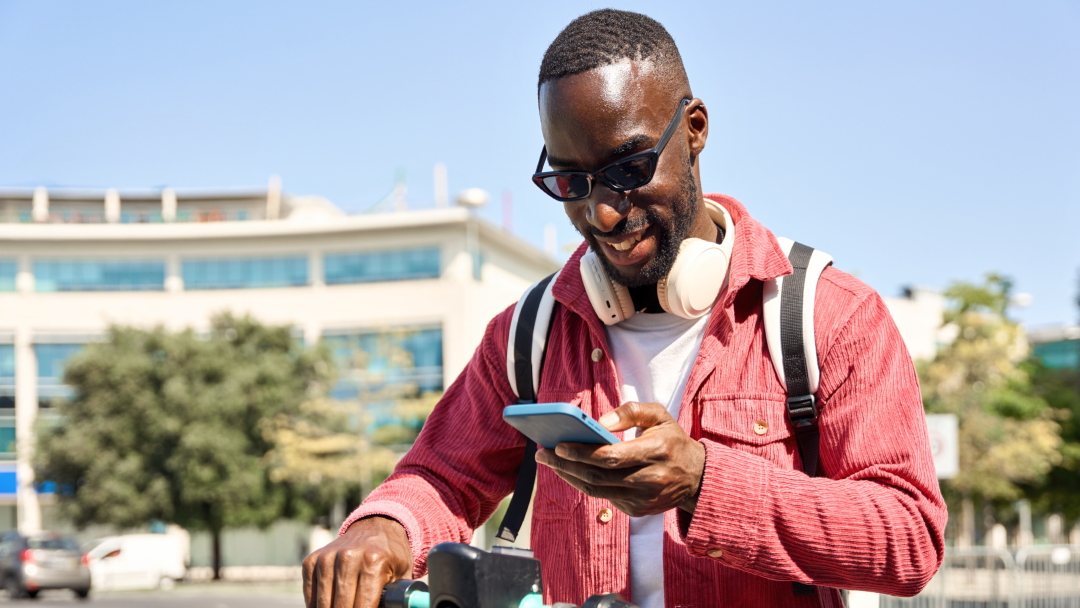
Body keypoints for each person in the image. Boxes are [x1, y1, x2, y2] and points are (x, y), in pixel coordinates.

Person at [304, 9, 946, 608]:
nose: (603, 213)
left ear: (694, 130)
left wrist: (703, 483)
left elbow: (910, 538)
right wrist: (387, 528)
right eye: (572, 183)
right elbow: (440, 479)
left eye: (629, 167)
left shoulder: (830, 315)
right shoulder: (529, 334)